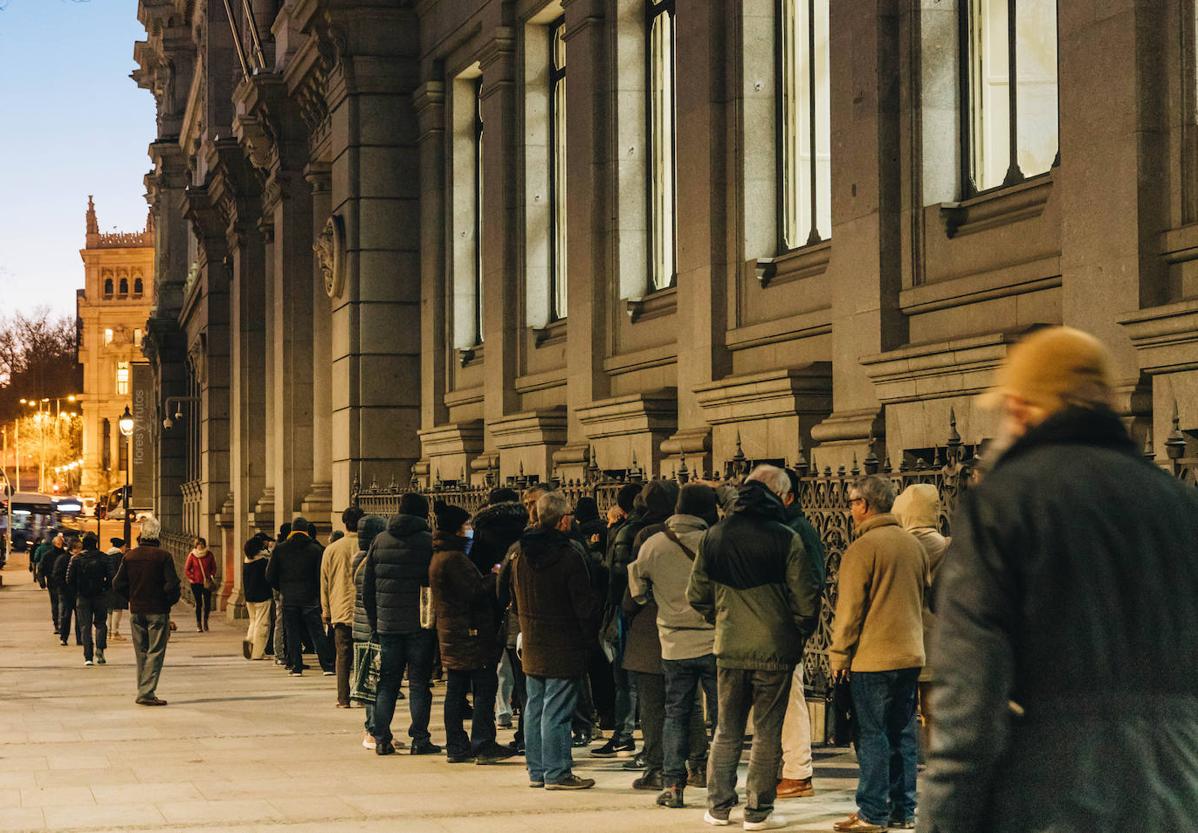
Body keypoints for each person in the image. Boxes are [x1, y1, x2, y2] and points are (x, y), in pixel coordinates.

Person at [921, 326, 1198, 833]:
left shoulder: (1005, 504)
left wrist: (946, 817)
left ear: (1023, 409)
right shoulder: (1180, 505)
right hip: (1178, 788)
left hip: (1057, 793)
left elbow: (970, 694)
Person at [688, 464, 821, 830]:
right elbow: (806, 600)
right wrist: (795, 632)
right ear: (779, 496)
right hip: (776, 649)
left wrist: (722, 620)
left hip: (729, 646)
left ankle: (718, 807)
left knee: (727, 729)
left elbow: (695, 594)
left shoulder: (715, 536)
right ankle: (758, 811)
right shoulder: (785, 537)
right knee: (766, 732)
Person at [828, 475, 929, 833]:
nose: (850, 509)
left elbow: (850, 609)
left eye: (853, 502)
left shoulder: (863, 548)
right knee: (903, 731)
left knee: (871, 733)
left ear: (865, 505)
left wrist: (839, 654)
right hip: (910, 654)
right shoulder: (912, 545)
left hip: (872, 658)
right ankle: (905, 810)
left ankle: (872, 811)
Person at [629, 483, 719, 809]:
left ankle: (672, 786)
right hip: (713, 640)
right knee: (723, 717)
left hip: (672, 643)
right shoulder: (714, 542)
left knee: (675, 714)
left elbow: (637, 592)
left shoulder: (653, 545)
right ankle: (719, 784)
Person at [509, 491, 599, 790]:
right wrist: (589, 638)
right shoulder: (569, 554)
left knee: (535, 706)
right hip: (564, 642)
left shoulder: (520, 553)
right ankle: (557, 772)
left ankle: (537, 770)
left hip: (533, 639)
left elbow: (509, 593)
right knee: (557, 710)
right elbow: (584, 604)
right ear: (563, 520)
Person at [429, 500, 514, 764]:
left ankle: (458, 745)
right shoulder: (454, 558)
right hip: (469, 634)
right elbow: (475, 592)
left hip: (454, 633)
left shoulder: (442, 555)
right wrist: (495, 575)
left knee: (456, 689)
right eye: (465, 525)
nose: (469, 529)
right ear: (456, 530)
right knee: (483, 686)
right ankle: (481, 742)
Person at [363, 493, 439, 756]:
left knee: (387, 682)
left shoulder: (380, 540)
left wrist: (376, 622)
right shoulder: (428, 542)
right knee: (419, 683)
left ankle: (382, 738)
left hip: (387, 626)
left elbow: (367, 588)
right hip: (420, 625)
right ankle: (420, 738)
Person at [777, 468, 827, 800]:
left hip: (787, 628)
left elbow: (811, 583)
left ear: (789, 497)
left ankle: (798, 773)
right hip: (776, 627)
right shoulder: (783, 528)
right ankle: (790, 769)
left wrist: (797, 625)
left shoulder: (798, 530)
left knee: (791, 699)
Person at [891, 483, 948, 756]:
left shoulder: (902, 545)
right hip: (938, 636)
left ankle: (907, 766)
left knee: (902, 709)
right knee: (934, 710)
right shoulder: (946, 546)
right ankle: (937, 761)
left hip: (905, 635)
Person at [113, 516, 181, 705]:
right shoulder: (163, 557)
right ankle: (146, 692)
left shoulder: (130, 556)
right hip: (157, 610)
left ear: (141, 534)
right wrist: (167, 602)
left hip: (137, 610)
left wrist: (131, 597)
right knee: (156, 651)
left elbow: (117, 583)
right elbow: (172, 585)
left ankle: (143, 689)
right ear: (157, 534)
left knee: (141, 651)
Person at [267, 517, 334, 677]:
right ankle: (328, 666)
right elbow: (321, 575)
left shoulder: (280, 549)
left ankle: (296, 666)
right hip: (310, 597)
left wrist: (282, 587)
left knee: (292, 632)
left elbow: (270, 575)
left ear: (292, 531)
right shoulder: (315, 550)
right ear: (306, 530)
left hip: (289, 597)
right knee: (317, 632)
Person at [321, 507, 363, 707]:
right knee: (364, 654)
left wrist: (326, 610)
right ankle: (363, 694)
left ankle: (343, 697)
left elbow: (325, 583)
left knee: (343, 655)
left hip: (340, 608)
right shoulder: (366, 546)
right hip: (363, 610)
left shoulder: (331, 549)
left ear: (344, 523)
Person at [352, 514, 387, 749]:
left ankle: (374, 728)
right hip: (371, 628)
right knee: (374, 682)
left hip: (361, 627)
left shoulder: (359, 558)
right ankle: (372, 730)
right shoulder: (370, 561)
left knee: (370, 681)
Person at [66, 532, 114, 667]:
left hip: (83, 597)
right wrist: (104, 588)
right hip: (100, 596)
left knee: (85, 627)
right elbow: (112, 577)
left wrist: (77, 591)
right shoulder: (104, 558)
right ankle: (100, 650)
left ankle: (88, 656)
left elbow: (69, 579)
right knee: (100, 624)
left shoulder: (76, 559)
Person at [242, 537, 273, 660]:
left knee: (254, 622)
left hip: (250, 597)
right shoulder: (263, 562)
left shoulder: (247, 561)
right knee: (262, 624)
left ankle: (249, 639)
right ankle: (257, 653)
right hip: (262, 596)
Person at [184, 537, 217, 632]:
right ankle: (198, 624)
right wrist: (192, 578)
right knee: (198, 603)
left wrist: (211, 575)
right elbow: (187, 569)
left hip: (206, 582)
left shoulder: (209, 554)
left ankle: (205, 621)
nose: (200, 545)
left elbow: (213, 567)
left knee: (207, 603)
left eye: (202, 544)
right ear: (196, 545)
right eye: (198, 544)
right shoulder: (192, 555)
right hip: (196, 583)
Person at [54, 537, 83, 646]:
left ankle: (80, 638)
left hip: (78, 592)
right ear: (72, 548)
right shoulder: (63, 559)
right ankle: (64, 637)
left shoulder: (81, 558)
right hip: (66, 593)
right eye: (77, 548)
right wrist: (63, 588)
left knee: (79, 617)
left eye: (80, 548)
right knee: (66, 616)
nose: (79, 550)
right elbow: (57, 575)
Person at [37, 533, 67, 637]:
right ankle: (57, 625)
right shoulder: (48, 555)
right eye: (58, 543)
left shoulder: (66, 555)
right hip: (52, 583)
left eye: (61, 543)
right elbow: (41, 569)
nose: (60, 545)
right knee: (55, 604)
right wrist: (42, 581)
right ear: (54, 544)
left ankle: (62, 624)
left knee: (63, 605)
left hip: (64, 584)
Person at [106, 538, 128, 640]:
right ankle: (115, 633)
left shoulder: (107, 556)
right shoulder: (121, 557)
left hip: (108, 586)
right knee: (117, 609)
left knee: (109, 610)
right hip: (118, 586)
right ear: (121, 546)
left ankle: (109, 632)